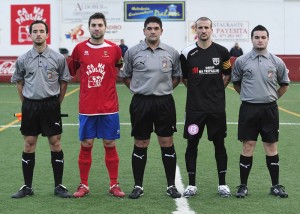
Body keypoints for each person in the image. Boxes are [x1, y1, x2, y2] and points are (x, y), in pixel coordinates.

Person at [119, 16, 182, 199]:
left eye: (156, 28)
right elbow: (125, 75)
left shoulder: (171, 52)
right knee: (140, 143)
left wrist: (164, 89)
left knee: (167, 142)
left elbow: (177, 76)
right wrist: (139, 89)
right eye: (149, 28)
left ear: (161, 31)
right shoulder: (132, 52)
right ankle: (138, 186)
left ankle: (171, 186)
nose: (152, 31)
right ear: (144, 30)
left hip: (164, 102)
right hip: (141, 103)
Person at [11, 20, 72, 198]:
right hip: (30, 105)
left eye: (41, 31)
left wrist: (56, 103)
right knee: (29, 145)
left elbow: (64, 81)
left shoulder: (58, 58)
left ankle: (59, 186)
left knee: (55, 143)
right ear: (30, 35)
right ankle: (27, 187)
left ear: (47, 34)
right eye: (35, 31)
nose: (38, 34)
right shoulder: (23, 59)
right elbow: (19, 82)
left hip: (50, 105)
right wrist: (26, 103)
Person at [68, 12, 125, 198]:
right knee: (87, 143)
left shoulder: (115, 49)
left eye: (100, 25)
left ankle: (114, 184)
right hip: (87, 107)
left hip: (109, 107)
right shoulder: (79, 49)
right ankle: (83, 185)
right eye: (93, 25)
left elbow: (119, 68)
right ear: (89, 27)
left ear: (105, 27)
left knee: (109, 143)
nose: (97, 28)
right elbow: (71, 70)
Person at [231, 25, 289, 198]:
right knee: (248, 145)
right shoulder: (242, 61)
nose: (260, 40)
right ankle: (243, 186)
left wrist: (272, 98)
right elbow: (236, 83)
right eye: (257, 37)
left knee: (271, 146)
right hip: (248, 108)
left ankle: (276, 186)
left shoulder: (276, 61)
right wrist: (248, 96)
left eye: (263, 37)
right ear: (252, 39)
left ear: (267, 39)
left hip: (269, 109)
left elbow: (284, 85)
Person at [180, 17, 232, 198]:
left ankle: (223, 184)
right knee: (192, 144)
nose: (203, 30)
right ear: (196, 30)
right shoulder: (187, 53)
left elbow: (227, 75)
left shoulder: (223, 52)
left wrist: (217, 91)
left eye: (206, 27)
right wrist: (197, 93)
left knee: (220, 144)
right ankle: (192, 184)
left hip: (216, 109)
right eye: (200, 27)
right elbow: (185, 79)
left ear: (212, 29)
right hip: (195, 110)